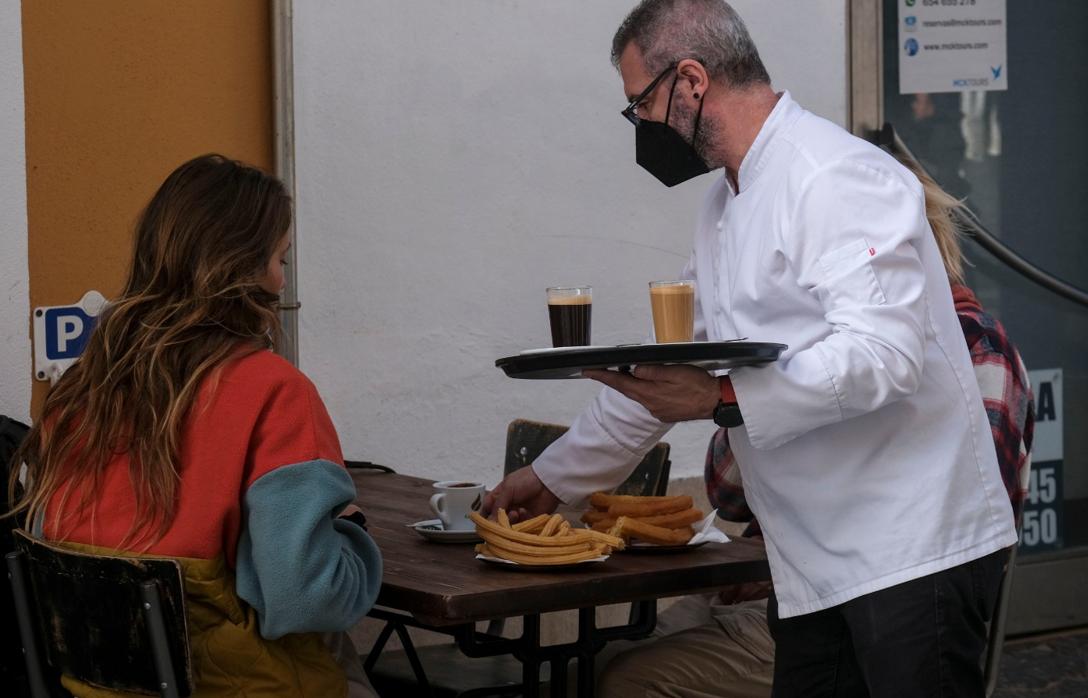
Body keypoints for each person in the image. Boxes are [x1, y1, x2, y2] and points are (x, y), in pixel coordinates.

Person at [485, 1, 1018, 695]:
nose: (640, 126)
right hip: (812, 563)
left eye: (639, 104)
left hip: (911, 551)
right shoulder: (723, 208)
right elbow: (670, 372)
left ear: (691, 81)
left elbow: (883, 356)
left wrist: (724, 397)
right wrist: (553, 479)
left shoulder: (834, 175)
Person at [595, 163, 1036, 698]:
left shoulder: (974, 347)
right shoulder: (819, 345)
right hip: (793, 577)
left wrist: (741, 399)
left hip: (891, 577)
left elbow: (967, 507)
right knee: (612, 656)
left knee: (629, 679)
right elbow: (727, 493)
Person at [7, 154, 382, 697]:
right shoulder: (274, 392)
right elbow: (307, 598)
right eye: (281, 259)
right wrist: (352, 536)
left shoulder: (80, 393)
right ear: (246, 268)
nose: (281, 281)